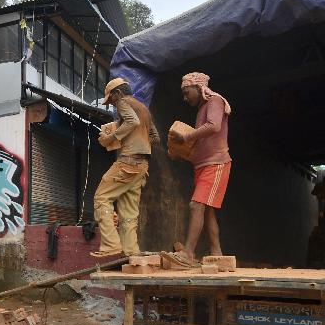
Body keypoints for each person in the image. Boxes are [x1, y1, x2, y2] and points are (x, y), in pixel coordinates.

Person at [164, 72, 232, 267]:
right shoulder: (202, 109)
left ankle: (188, 253)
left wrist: (186, 138)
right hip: (203, 165)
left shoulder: (215, 101)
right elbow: (201, 145)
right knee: (207, 211)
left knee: (196, 206)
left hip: (216, 164)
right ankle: (216, 253)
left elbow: (214, 126)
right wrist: (181, 153)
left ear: (198, 88)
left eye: (187, 93)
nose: (185, 98)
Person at [92, 78, 160, 258]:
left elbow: (132, 122)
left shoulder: (123, 102)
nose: (113, 104)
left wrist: (111, 138)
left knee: (101, 197)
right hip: (142, 166)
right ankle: (132, 253)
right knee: (129, 212)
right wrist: (138, 142)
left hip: (128, 161)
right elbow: (155, 136)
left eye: (111, 99)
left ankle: (111, 245)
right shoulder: (144, 108)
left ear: (118, 94)